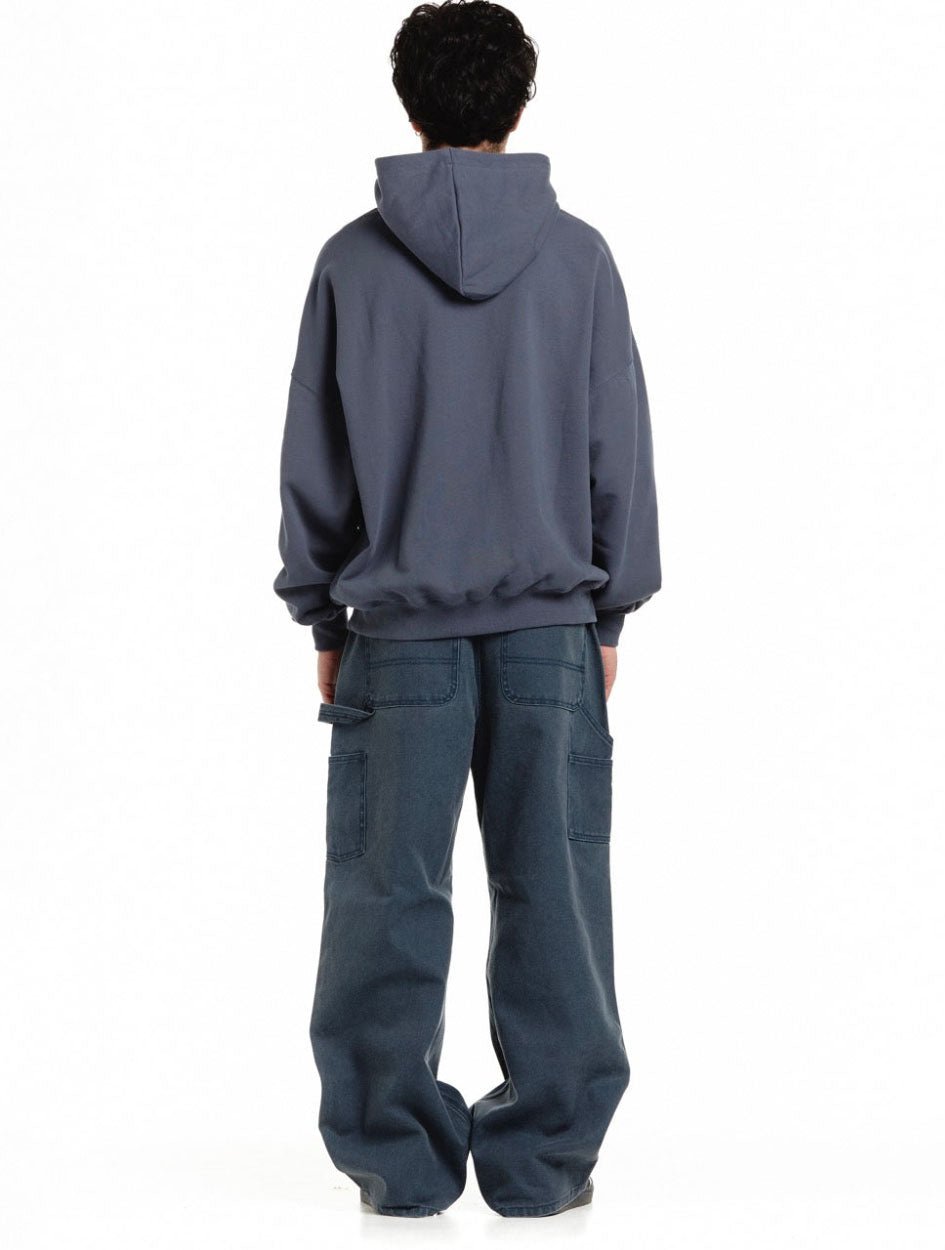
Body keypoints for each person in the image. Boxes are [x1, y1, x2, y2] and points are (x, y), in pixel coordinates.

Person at [273, 0, 661, 1219]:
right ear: (519, 102)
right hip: (550, 630)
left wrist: (322, 616)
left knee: (384, 898)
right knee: (556, 893)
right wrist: (609, 613)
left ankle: (395, 1160)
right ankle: (544, 1162)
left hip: (398, 637)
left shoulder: (351, 261)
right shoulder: (578, 257)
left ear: (409, 104)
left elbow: (317, 459)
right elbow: (617, 447)